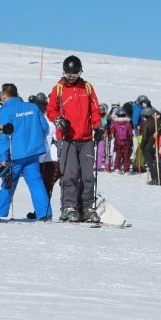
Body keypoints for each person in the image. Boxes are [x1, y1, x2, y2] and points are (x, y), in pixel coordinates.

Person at [46, 55, 103, 223]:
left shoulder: (87, 88)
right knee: (70, 173)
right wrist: (58, 120)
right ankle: (69, 207)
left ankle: (87, 207)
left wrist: (97, 127)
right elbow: (51, 110)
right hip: (67, 138)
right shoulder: (59, 88)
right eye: (68, 74)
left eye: (74, 74)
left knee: (87, 176)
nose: (71, 77)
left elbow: (95, 110)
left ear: (80, 72)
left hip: (86, 139)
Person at [0, 83, 50, 221]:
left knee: (8, 183)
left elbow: (3, 136)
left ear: (4, 95)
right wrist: (34, 139)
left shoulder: (5, 111)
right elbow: (45, 127)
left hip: (15, 155)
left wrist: (1, 158)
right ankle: (44, 213)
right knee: (36, 183)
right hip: (32, 153)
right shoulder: (33, 107)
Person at [111, 108, 134, 174]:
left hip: (118, 141)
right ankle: (126, 169)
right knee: (127, 155)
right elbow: (130, 133)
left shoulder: (115, 123)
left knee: (118, 154)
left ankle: (117, 167)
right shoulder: (128, 123)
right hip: (127, 141)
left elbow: (113, 132)